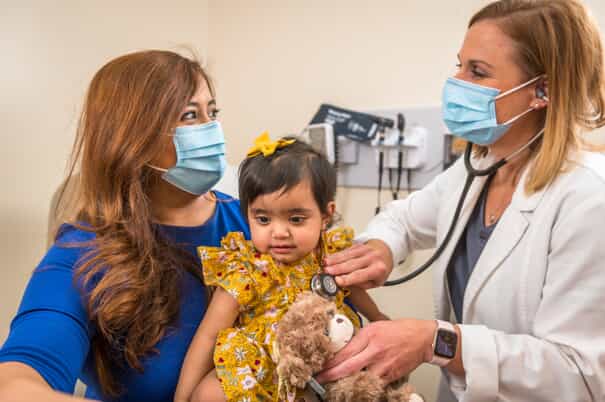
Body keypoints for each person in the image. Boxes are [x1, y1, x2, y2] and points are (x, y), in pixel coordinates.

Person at [317, 1, 605, 401]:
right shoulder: (480, 168)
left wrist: (436, 341)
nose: (456, 83)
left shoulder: (589, 199)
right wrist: (383, 247)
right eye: (460, 65)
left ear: (544, 90)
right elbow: (403, 220)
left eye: (477, 72)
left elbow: (581, 373)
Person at [0, 50, 250, 402]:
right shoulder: (83, 255)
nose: (211, 130)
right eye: (190, 115)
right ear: (133, 137)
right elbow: (14, 384)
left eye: (213, 112)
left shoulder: (257, 224)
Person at [174, 134, 388, 402]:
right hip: (263, 371)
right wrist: (181, 398)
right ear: (247, 215)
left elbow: (354, 290)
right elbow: (208, 336)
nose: (279, 232)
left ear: (325, 215)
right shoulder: (246, 270)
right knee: (208, 394)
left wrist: (380, 319)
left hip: (323, 363)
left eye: (296, 219)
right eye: (263, 219)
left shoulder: (329, 255)